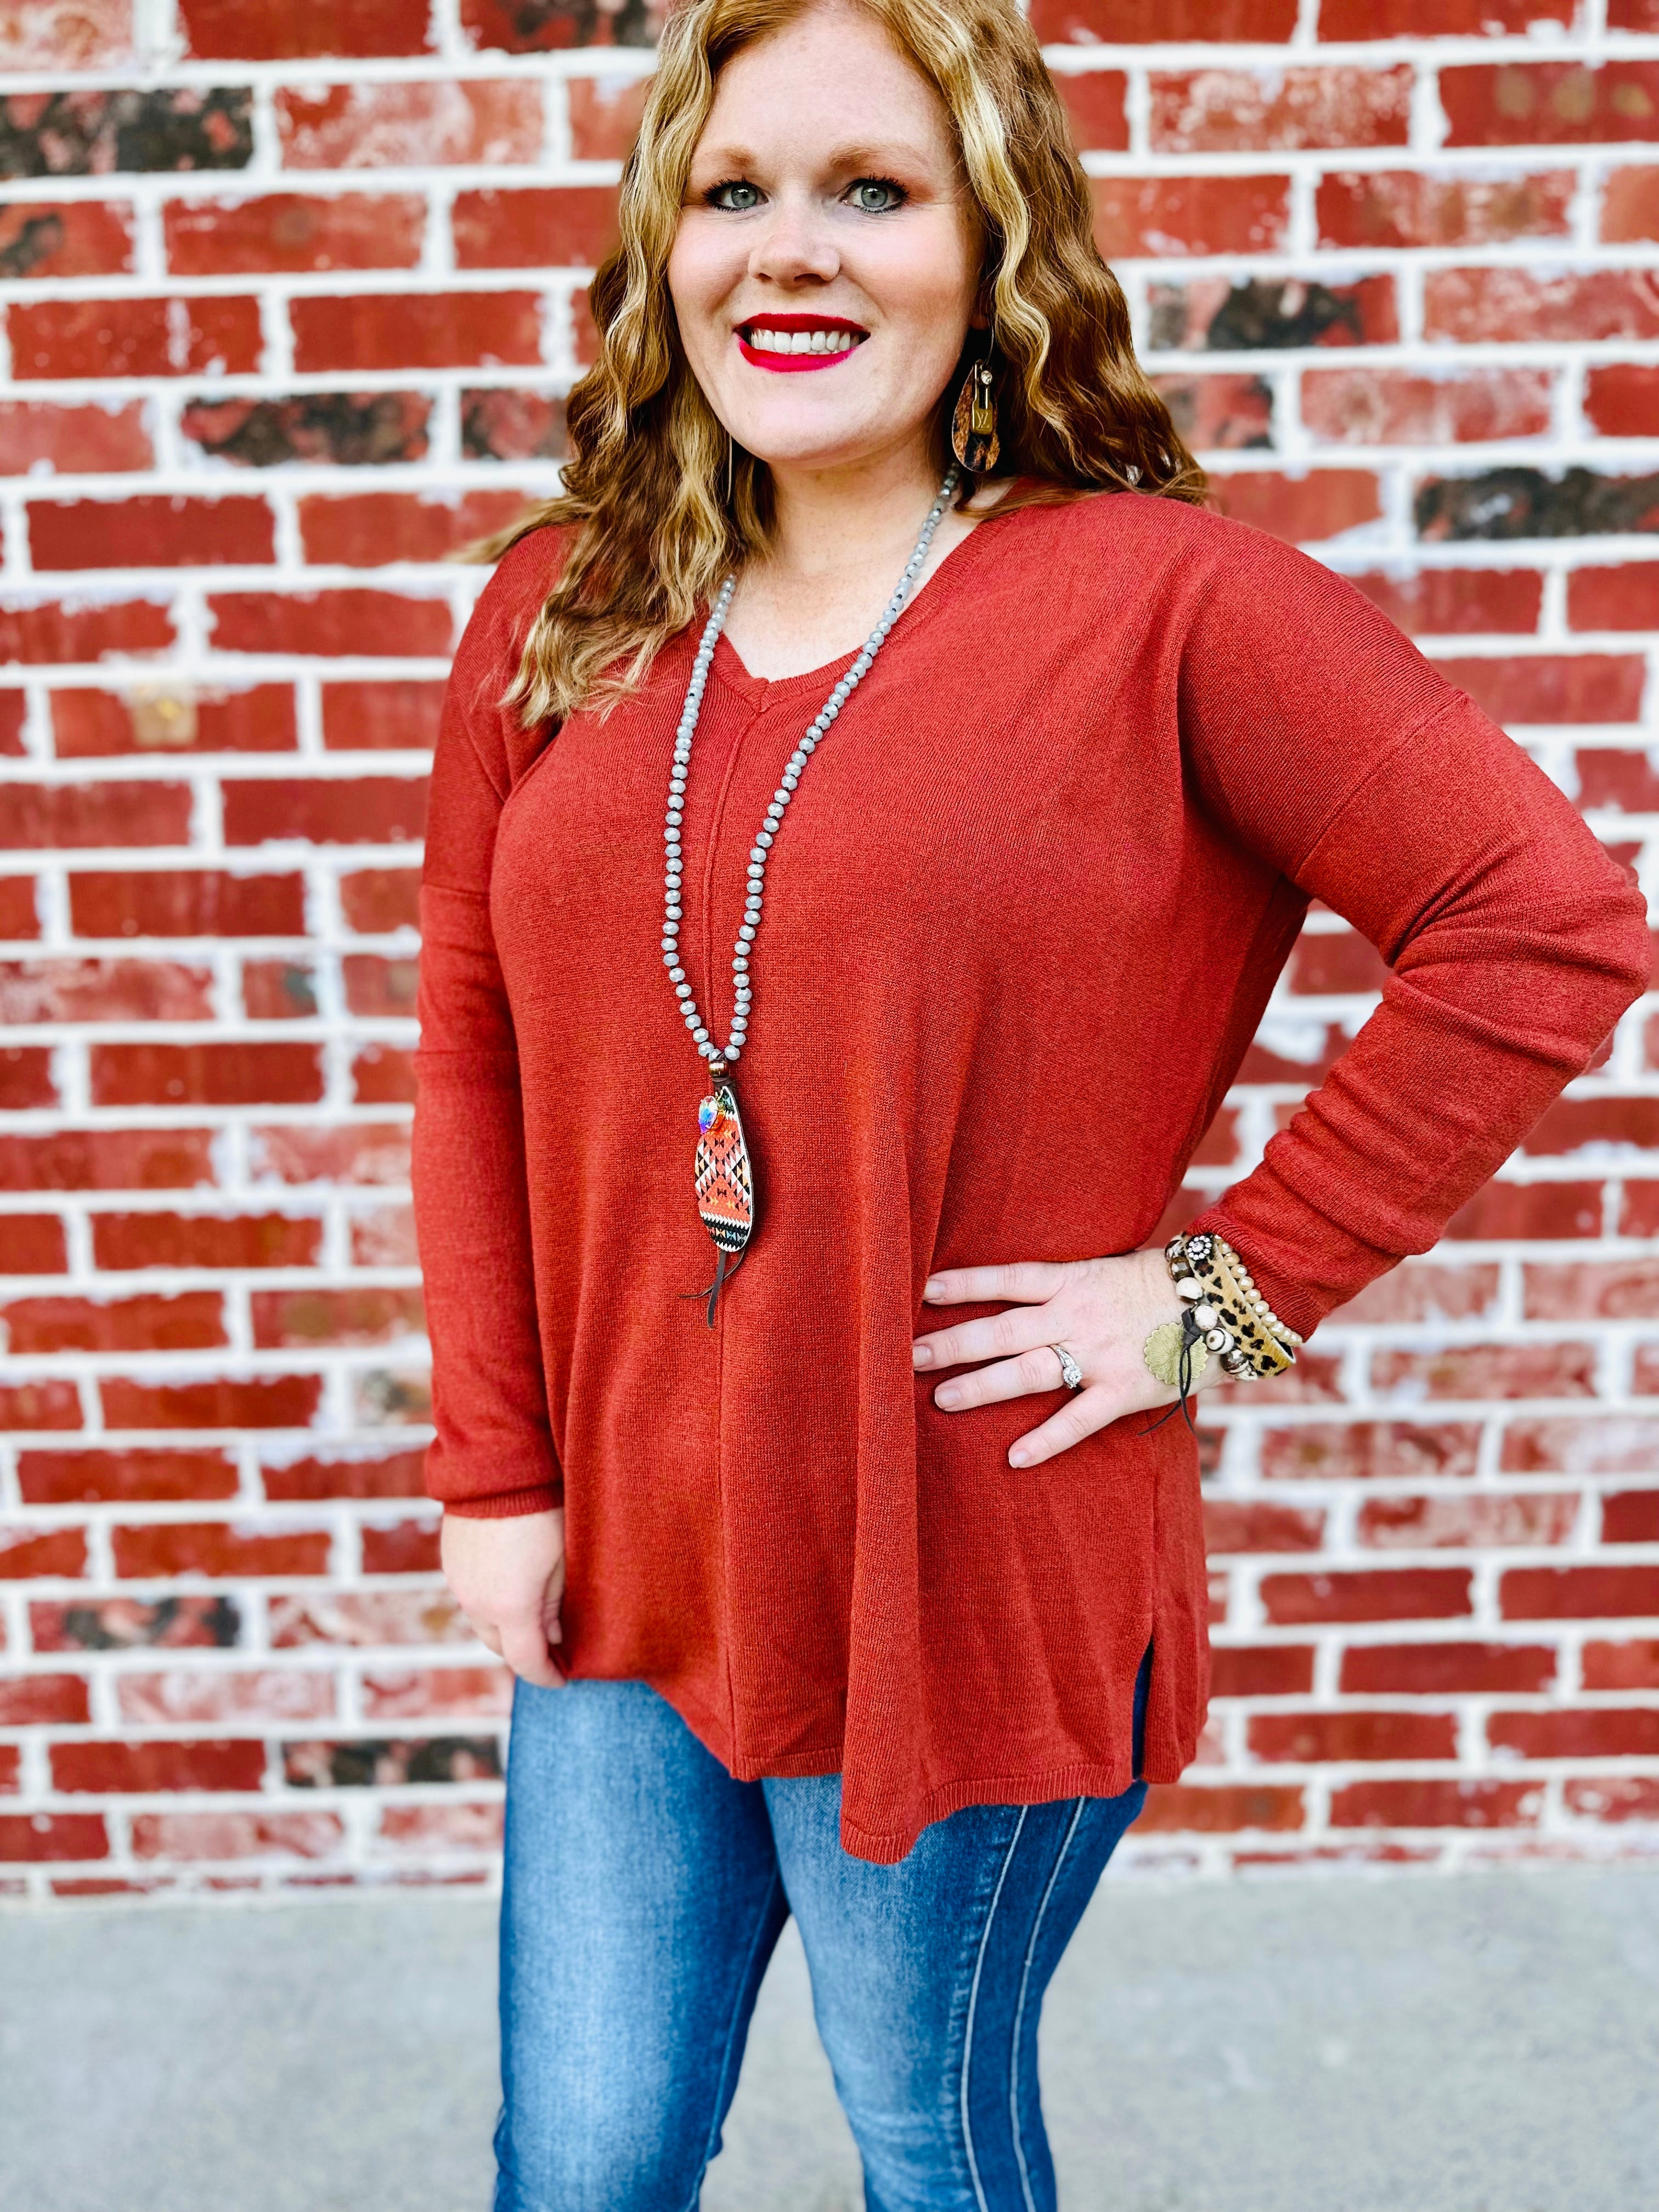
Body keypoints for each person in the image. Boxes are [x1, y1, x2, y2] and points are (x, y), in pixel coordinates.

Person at [411, 0, 1651, 2202]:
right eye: (734, 190)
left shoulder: (1169, 608)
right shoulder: (564, 610)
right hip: (624, 1558)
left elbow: (1540, 924)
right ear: (667, 240)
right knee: (578, 2157)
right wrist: (497, 1468)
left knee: (932, 2149)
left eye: (874, 191)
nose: (791, 250)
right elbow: (469, 1042)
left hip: (956, 1563)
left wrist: (1222, 1295)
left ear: (994, 245)